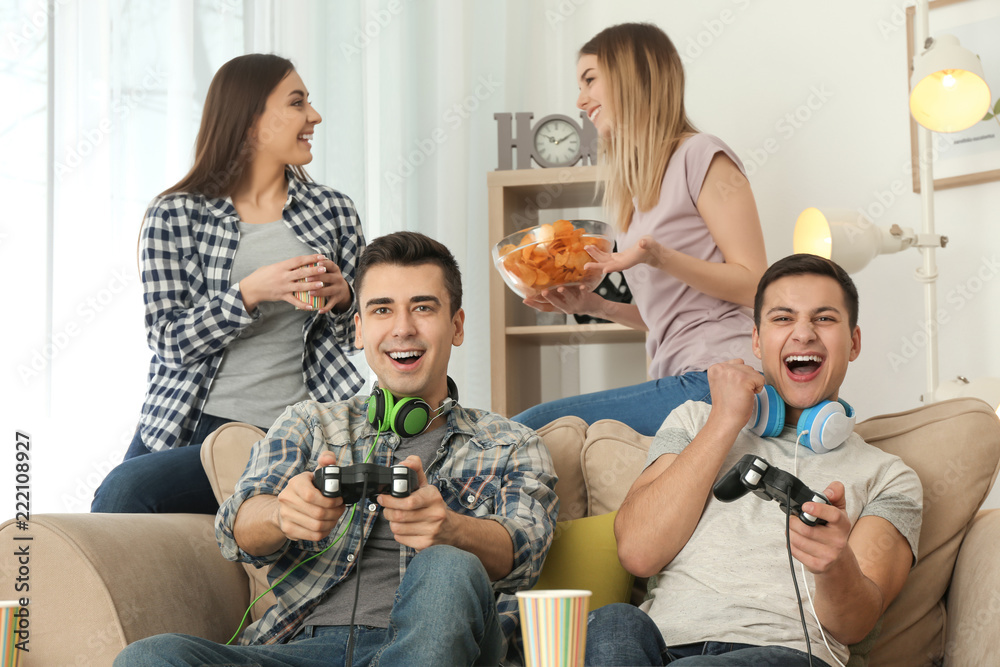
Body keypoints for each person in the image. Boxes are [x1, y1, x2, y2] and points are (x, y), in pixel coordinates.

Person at [113, 231, 560, 667]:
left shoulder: (510, 442)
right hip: (298, 647)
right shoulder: (309, 423)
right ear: (361, 330)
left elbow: (527, 555)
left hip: (434, 645)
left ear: (456, 326)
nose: (403, 329)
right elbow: (236, 530)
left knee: (448, 567)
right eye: (382, 310)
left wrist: (452, 529)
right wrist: (281, 514)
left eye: (423, 308)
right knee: (150, 657)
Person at [584, 254, 923, 667]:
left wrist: (836, 566)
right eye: (783, 319)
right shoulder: (694, 422)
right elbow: (638, 552)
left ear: (852, 343)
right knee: (613, 622)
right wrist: (725, 420)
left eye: (824, 319)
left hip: (787, 657)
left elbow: (854, 625)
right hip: (662, 652)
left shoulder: (890, 477)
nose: (803, 334)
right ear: (757, 341)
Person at [92, 54, 367, 514]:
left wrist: (345, 301)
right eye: (297, 103)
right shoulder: (176, 214)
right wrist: (249, 293)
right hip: (190, 423)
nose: (314, 116)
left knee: (128, 494)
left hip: (291, 431)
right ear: (251, 121)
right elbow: (168, 340)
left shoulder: (334, 211)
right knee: (119, 499)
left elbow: (361, 334)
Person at [512, 23, 768, 436]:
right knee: (533, 432)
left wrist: (659, 256)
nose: (580, 100)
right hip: (678, 379)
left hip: (724, 378)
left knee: (529, 429)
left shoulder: (701, 155)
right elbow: (672, 316)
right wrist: (595, 307)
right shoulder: (635, 196)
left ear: (634, 75)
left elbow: (757, 287)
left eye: (590, 80)